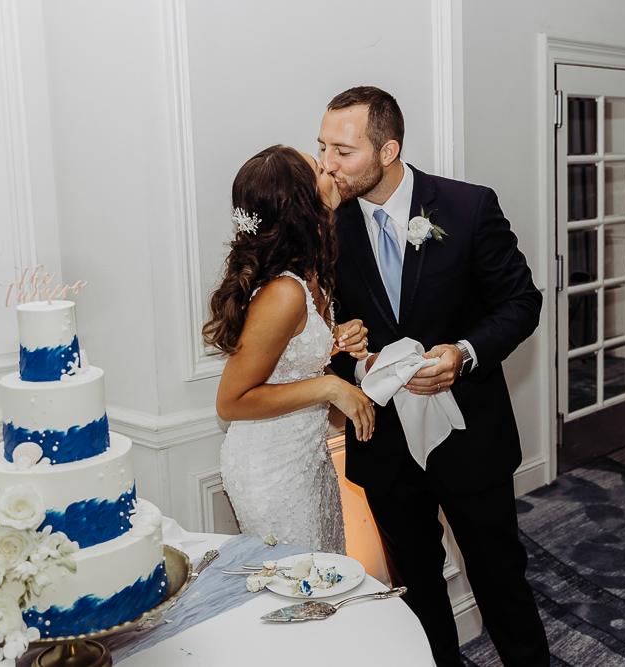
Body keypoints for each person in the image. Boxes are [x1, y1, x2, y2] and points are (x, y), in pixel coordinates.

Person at [320, 87, 549, 666]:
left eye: (342, 152)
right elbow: (319, 326)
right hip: (385, 446)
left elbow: (521, 302)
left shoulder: (468, 207)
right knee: (416, 593)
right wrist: (342, 343)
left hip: (469, 438)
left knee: (501, 581)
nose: (327, 165)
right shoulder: (325, 225)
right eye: (322, 147)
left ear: (388, 149)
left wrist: (466, 353)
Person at [203, 144, 376, 554]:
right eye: (319, 168)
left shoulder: (310, 271)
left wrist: (337, 339)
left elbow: (291, 361)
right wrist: (331, 388)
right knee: (300, 594)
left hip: (308, 459)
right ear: (303, 203)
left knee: (321, 580)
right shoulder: (284, 293)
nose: (330, 169)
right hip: (271, 471)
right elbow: (230, 402)